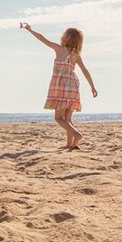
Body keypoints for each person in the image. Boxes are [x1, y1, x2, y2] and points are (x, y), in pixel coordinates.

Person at [20, 22, 97, 150]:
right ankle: (70, 144)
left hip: (60, 86)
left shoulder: (59, 49)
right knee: (67, 118)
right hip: (73, 86)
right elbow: (85, 71)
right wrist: (92, 86)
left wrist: (30, 30)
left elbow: (43, 39)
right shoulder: (77, 55)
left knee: (58, 118)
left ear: (66, 38)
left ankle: (77, 135)